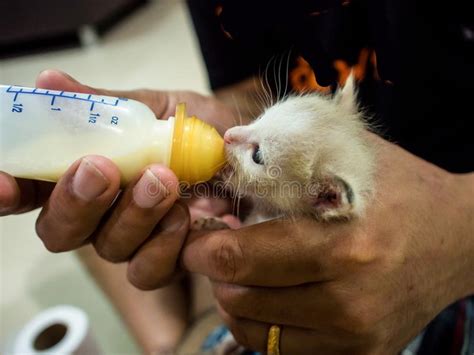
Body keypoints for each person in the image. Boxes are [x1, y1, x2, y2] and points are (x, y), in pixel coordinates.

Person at [1, 0, 473, 354]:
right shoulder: (283, 162)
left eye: (257, 151)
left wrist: (455, 237)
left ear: (325, 197)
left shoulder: (325, 189)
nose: (232, 135)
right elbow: (244, 92)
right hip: (268, 210)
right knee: (96, 194)